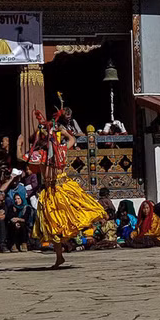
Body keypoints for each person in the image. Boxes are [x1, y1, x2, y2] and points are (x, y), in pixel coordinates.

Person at [28, 109, 107, 268]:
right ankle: (59, 257)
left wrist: (19, 145)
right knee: (56, 224)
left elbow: (22, 157)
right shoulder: (60, 150)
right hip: (57, 189)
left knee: (61, 220)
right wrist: (65, 133)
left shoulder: (44, 155)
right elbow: (72, 140)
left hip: (56, 189)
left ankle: (61, 253)